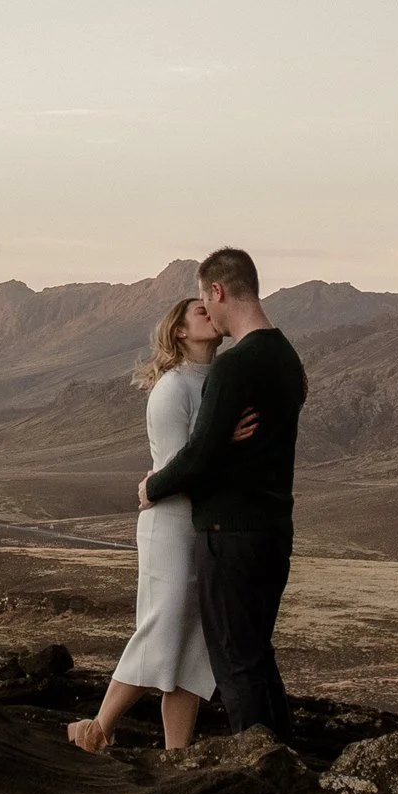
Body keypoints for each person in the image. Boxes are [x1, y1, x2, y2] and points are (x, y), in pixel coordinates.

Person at [66, 296, 255, 755]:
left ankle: (176, 752)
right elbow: (177, 471)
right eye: (198, 311)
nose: (209, 312)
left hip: (204, 528)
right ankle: (96, 729)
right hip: (171, 528)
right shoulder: (173, 389)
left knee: (192, 644)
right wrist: (224, 444)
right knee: (162, 628)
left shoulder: (217, 381)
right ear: (179, 332)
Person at [136, 247, 307, 743]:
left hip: (230, 535)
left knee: (235, 665)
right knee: (257, 655)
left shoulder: (235, 367)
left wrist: (153, 487)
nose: (205, 311)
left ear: (217, 291)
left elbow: (199, 456)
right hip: (274, 529)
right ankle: (285, 764)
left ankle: (261, 772)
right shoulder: (285, 357)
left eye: (205, 299)